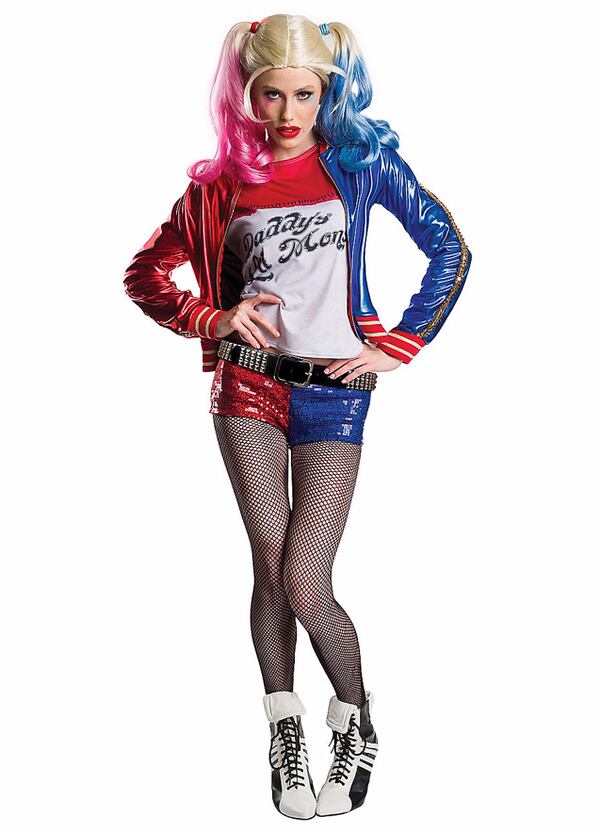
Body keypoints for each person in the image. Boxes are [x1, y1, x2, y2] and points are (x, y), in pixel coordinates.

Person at [123, 14, 472, 820]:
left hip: (335, 390)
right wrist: (211, 317)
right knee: (271, 562)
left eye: (303, 94)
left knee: (305, 579)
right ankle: (285, 731)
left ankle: (356, 720)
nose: (287, 112)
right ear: (246, 96)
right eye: (270, 94)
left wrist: (401, 343)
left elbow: (448, 248)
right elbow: (145, 273)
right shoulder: (218, 187)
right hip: (247, 387)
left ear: (327, 93)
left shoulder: (360, 165)